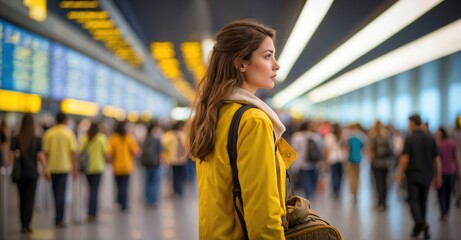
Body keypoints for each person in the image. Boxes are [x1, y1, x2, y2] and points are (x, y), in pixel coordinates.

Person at [186, 19, 297, 239]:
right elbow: (263, 215)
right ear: (241, 63)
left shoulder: (214, 114)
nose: (276, 65)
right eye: (267, 56)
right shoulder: (253, 121)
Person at [396, 114, 441, 239]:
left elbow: (405, 158)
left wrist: (399, 174)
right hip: (427, 175)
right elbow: (437, 160)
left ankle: (422, 224)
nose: (408, 126)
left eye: (409, 123)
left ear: (413, 123)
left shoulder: (410, 139)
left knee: (413, 201)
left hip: (413, 175)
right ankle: (418, 228)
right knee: (423, 201)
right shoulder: (430, 139)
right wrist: (438, 176)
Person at [8, 113, 49, 233]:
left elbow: (10, 156)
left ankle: (22, 224)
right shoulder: (37, 139)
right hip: (32, 174)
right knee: (30, 199)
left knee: (21, 198)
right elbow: (40, 156)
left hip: (19, 174)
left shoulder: (15, 138)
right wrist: (45, 168)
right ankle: (27, 225)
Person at [43, 112, 79, 228]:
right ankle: (60, 218)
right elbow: (73, 153)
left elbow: (45, 153)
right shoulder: (69, 133)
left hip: (52, 167)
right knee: (61, 193)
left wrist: (45, 168)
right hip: (64, 167)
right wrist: (75, 169)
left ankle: (57, 217)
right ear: (65, 121)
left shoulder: (49, 133)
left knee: (55, 192)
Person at [107, 120, 140, 211]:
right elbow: (136, 151)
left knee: (118, 185)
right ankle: (124, 204)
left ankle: (119, 201)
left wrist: (110, 163)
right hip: (127, 165)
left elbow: (109, 153)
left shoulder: (113, 138)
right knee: (125, 185)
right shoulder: (129, 138)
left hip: (116, 166)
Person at [80, 121, 107, 222]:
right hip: (98, 167)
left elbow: (80, 151)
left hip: (87, 168)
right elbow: (105, 152)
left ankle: (89, 213)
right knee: (94, 191)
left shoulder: (85, 138)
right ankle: (93, 214)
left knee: (90, 189)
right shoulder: (101, 138)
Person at [290, 120, 322, 198]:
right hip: (313, 161)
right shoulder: (316, 136)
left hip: (301, 162)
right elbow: (320, 148)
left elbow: (293, 149)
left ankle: (308, 192)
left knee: (305, 178)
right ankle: (310, 192)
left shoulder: (297, 136)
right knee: (312, 178)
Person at [435, 127, 460, 221]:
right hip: (451, 172)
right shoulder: (453, 143)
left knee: (441, 193)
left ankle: (443, 212)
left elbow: (437, 161)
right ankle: (446, 212)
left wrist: (436, 175)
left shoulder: (439, 145)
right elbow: (456, 158)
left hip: (441, 172)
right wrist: (459, 170)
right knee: (448, 193)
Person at [369, 120, 393, 211]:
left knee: (378, 183)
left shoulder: (373, 135)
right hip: (386, 163)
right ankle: (385, 203)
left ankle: (380, 202)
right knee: (385, 183)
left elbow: (370, 150)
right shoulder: (387, 134)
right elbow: (391, 148)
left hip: (376, 163)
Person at [140, 121, 163, 207]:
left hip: (146, 164)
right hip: (156, 164)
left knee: (147, 182)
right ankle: (153, 201)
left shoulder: (145, 139)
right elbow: (160, 153)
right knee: (155, 183)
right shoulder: (157, 140)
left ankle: (147, 199)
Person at [323, 123, 346, 198]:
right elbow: (344, 148)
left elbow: (327, 149)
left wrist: (325, 159)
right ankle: (338, 189)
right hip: (341, 158)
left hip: (332, 158)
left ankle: (335, 190)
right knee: (339, 175)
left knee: (334, 175)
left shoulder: (329, 136)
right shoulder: (342, 136)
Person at [346, 123, 366, 204]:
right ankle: (356, 194)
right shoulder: (361, 136)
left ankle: (353, 193)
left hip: (351, 159)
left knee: (351, 177)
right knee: (357, 177)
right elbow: (363, 148)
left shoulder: (349, 136)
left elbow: (347, 148)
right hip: (358, 159)